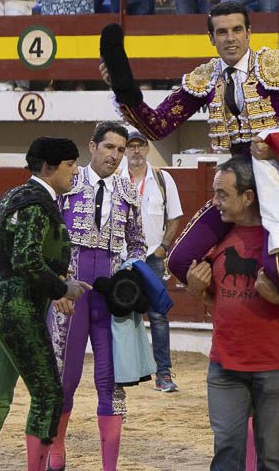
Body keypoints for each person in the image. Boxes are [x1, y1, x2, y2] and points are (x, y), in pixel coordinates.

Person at [183, 154, 279, 470]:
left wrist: (278, 298)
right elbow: (220, 300)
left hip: (276, 365)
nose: (215, 203)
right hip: (225, 363)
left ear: (248, 197)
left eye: (222, 194)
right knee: (226, 453)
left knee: (273, 458)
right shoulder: (216, 239)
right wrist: (197, 292)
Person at [0, 137, 90, 471]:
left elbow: (2, 254)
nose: (75, 171)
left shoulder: (13, 196)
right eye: (70, 164)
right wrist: (62, 287)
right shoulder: (37, 204)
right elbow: (27, 260)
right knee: (49, 396)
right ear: (50, 167)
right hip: (18, 306)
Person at [105, 0, 279, 156]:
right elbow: (157, 127)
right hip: (232, 179)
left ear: (249, 33)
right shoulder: (203, 79)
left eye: (237, 30)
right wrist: (123, 88)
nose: (230, 39)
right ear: (211, 38)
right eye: (222, 32)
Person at [46, 122, 146, 471]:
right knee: (66, 376)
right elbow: (49, 236)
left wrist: (130, 279)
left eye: (121, 150)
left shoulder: (128, 189)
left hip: (108, 295)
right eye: (110, 148)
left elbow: (137, 243)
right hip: (71, 292)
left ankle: (109, 466)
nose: (116, 156)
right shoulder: (68, 183)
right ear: (93, 147)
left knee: (111, 380)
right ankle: (56, 453)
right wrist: (57, 282)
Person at [122, 130, 184, 393]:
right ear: (125, 150)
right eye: (131, 147)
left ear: (147, 149)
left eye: (140, 146)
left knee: (158, 316)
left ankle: (163, 373)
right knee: (123, 315)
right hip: (122, 257)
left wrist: (163, 248)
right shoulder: (116, 179)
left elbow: (174, 218)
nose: (135, 151)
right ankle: (126, 372)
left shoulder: (162, 178)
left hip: (152, 257)